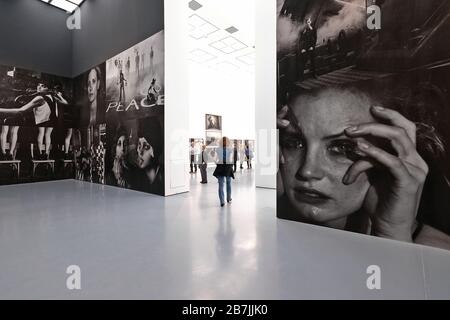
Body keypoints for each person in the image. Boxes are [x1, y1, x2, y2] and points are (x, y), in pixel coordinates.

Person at [277, 85, 450, 249]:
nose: (307, 171)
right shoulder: (268, 231)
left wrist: (391, 234)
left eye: (343, 148)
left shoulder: (438, 255)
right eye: (294, 143)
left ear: (393, 156)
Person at [131, 116, 164, 194]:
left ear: (155, 150)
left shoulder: (164, 175)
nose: (140, 151)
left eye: (146, 147)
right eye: (139, 145)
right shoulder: (135, 176)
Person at [213, 136, 235, 207]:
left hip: (220, 166)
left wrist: (218, 162)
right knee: (228, 183)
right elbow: (231, 159)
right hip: (227, 166)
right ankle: (228, 198)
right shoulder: (230, 149)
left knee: (221, 185)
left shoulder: (218, 149)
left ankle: (222, 201)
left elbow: (215, 159)